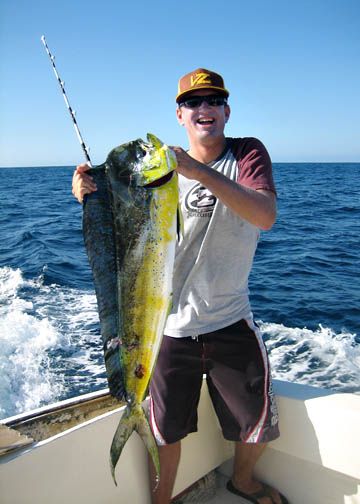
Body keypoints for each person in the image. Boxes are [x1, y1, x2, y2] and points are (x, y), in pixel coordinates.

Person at [72, 68, 288, 504]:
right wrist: (91, 195)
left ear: (226, 111)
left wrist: (193, 169)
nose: (203, 109)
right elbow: (125, 235)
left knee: (255, 422)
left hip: (230, 320)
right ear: (179, 115)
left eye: (213, 101)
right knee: (165, 431)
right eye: (193, 102)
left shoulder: (246, 154)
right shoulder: (157, 175)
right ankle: (162, 501)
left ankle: (241, 481)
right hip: (167, 329)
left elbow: (265, 215)